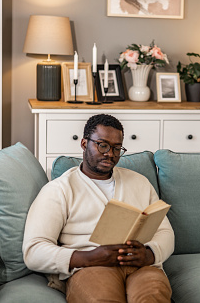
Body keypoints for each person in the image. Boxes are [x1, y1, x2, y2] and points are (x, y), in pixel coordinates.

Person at [23, 114, 174, 303]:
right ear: (84, 144)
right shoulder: (59, 190)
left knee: (153, 296)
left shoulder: (140, 183)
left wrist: (149, 254)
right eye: (102, 145)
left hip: (140, 266)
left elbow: (165, 231)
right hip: (90, 268)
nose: (110, 153)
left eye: (117, 148)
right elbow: (33, 251)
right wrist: (89, 257)